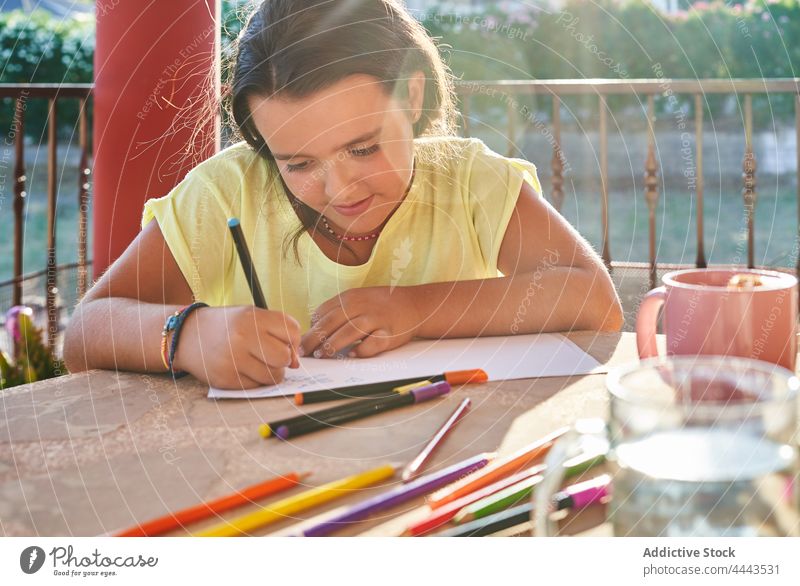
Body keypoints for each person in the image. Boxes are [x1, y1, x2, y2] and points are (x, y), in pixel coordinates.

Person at [63, 0, 623, 390]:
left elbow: (593, 301)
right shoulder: (226, 192)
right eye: (298, 164)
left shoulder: (467, 179)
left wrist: (415, 309)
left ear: (413, 94)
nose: (340, 191)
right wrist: (185, 335)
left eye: (362, 148)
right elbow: (84, 334)